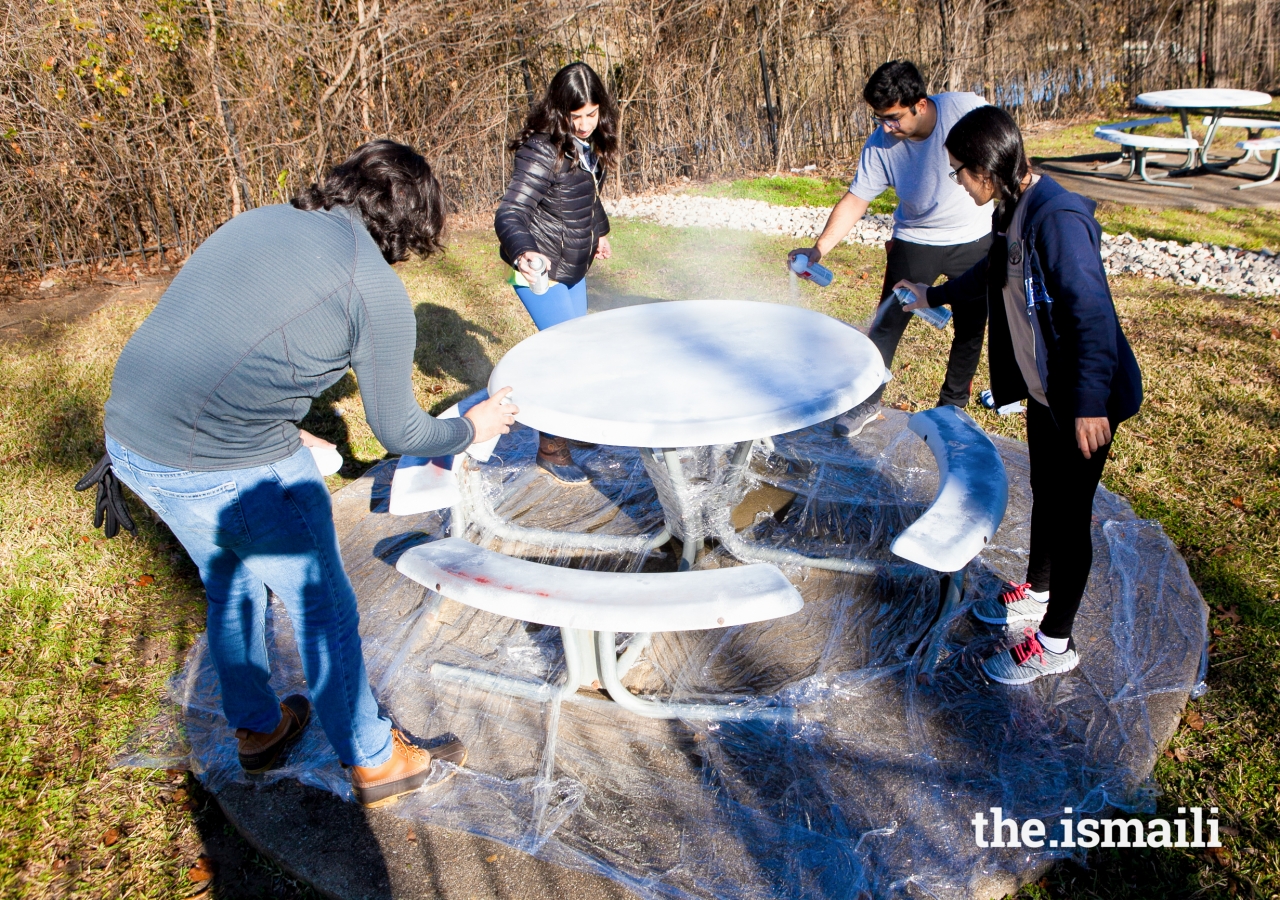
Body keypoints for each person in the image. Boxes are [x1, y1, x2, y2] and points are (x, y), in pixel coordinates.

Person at [86, 141, 518, 806]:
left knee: (230, 584)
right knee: (322, 607)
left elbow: (220, 338)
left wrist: (283, 423)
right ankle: (377, 760)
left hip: (133, 443)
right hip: (222, 459)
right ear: (410, 226)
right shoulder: (372, 288)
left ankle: (259, 728)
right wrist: (473, 427)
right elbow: (402, 432)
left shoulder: (259, 220)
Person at [896, 106, 1143, 685]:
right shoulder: (1011, 206)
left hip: (1086, 396)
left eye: (960, 170)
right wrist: (933, 296)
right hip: (1046, 390)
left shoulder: (1058, 219)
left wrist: (1086, 404)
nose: (958, 181)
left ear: (987, 168)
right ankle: (1039, 589)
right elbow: (991, 273)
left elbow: (1092, 316)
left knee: (1070, 513)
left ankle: (1057, 643)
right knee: (1044, 492)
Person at [789, 60, 993, 437]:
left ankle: (951, 411)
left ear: (920, 102)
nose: (887, 127)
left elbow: (1004, 145)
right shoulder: (881, 144)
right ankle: (868, 401)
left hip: (975, 240)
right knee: (886, 325)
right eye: (881, 118)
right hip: (915, 242)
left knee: (970, 329)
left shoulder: (965, 109)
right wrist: (819, 249)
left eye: (894, 117)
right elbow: (856, 199)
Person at [495, 61, 617, 483]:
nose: (584, 125)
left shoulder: (589, 144)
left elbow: (588, 194)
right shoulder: (541, 149)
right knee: (565, 360)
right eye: (575, 116)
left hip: (574, 266)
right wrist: (523, 251)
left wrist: (599, 232)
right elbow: (511, 210)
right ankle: (551, 450)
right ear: (558, 111)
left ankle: (572, 427)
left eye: (591, 114)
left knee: (577, 354)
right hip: (538, 271)